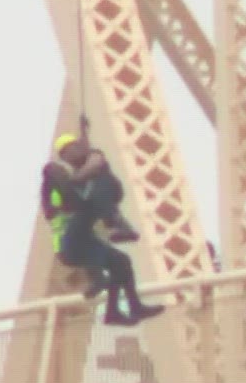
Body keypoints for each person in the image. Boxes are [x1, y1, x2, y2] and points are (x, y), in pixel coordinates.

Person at [43, 132, 163, 325]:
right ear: (63, 157)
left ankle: (121, 310)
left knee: (121, 262)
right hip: (71, 241)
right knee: (99, 189)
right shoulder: (60, 178)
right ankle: (113, 224)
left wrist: (78, 180)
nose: (75, 151)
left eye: (76, 146)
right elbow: (56, 187)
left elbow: (96, 163)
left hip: (84, 240)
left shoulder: (92, 163)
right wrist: (69, 185)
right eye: (68, 150)